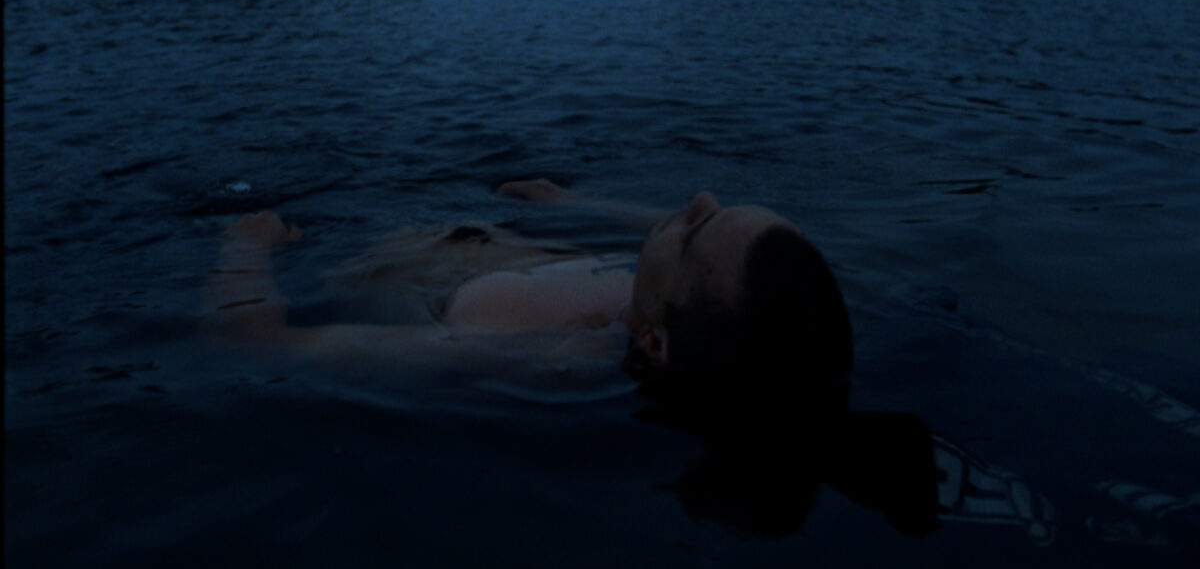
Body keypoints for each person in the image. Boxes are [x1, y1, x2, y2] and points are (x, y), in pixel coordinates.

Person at [204, 179, 853, 415]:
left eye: (695, 230)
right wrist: (570, 200)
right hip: (470, 229)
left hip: (344, 252)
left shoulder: (529, 352)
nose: (700, 198)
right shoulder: (679, 296)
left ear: (653, 345)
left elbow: (259, 342)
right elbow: (660, 227)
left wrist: (246, 247)